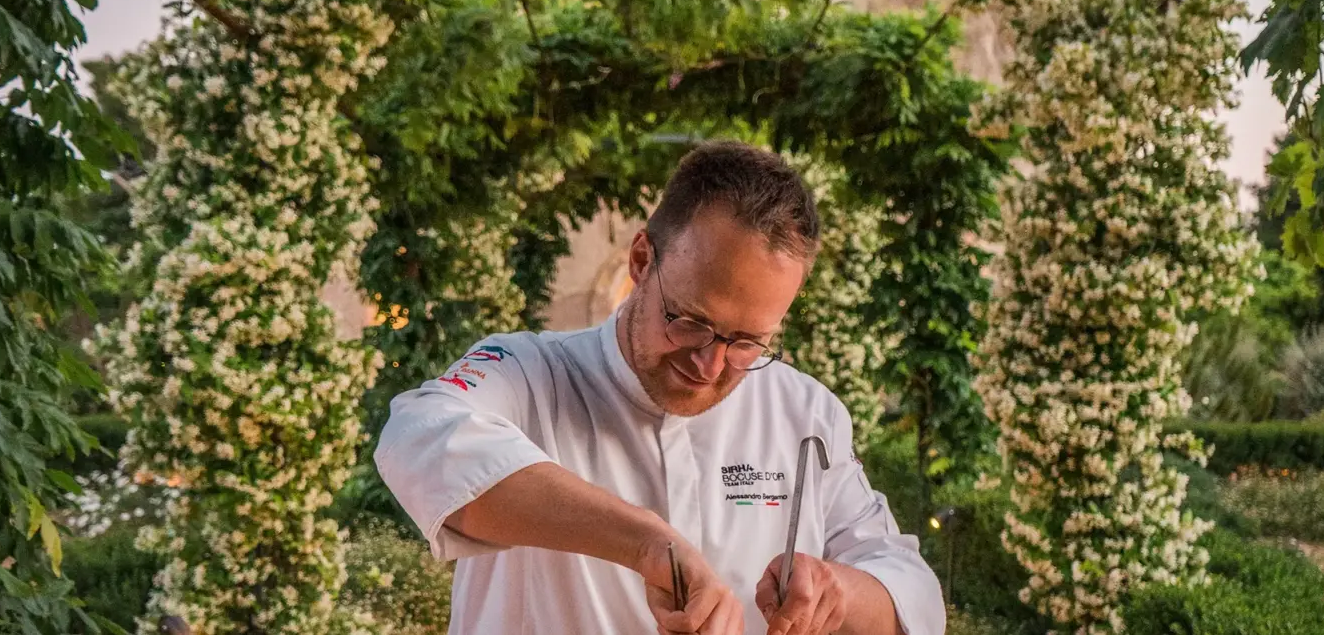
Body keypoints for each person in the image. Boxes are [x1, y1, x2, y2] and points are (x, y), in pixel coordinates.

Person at [375, 141, 946, 635]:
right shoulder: (528, 374)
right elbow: (419, 437)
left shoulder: (805, 413)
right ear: (642, 260)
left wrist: (837, 592)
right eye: (690, 320)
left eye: (747, 342)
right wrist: (647, 543)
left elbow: (912, 595)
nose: (709, 362)